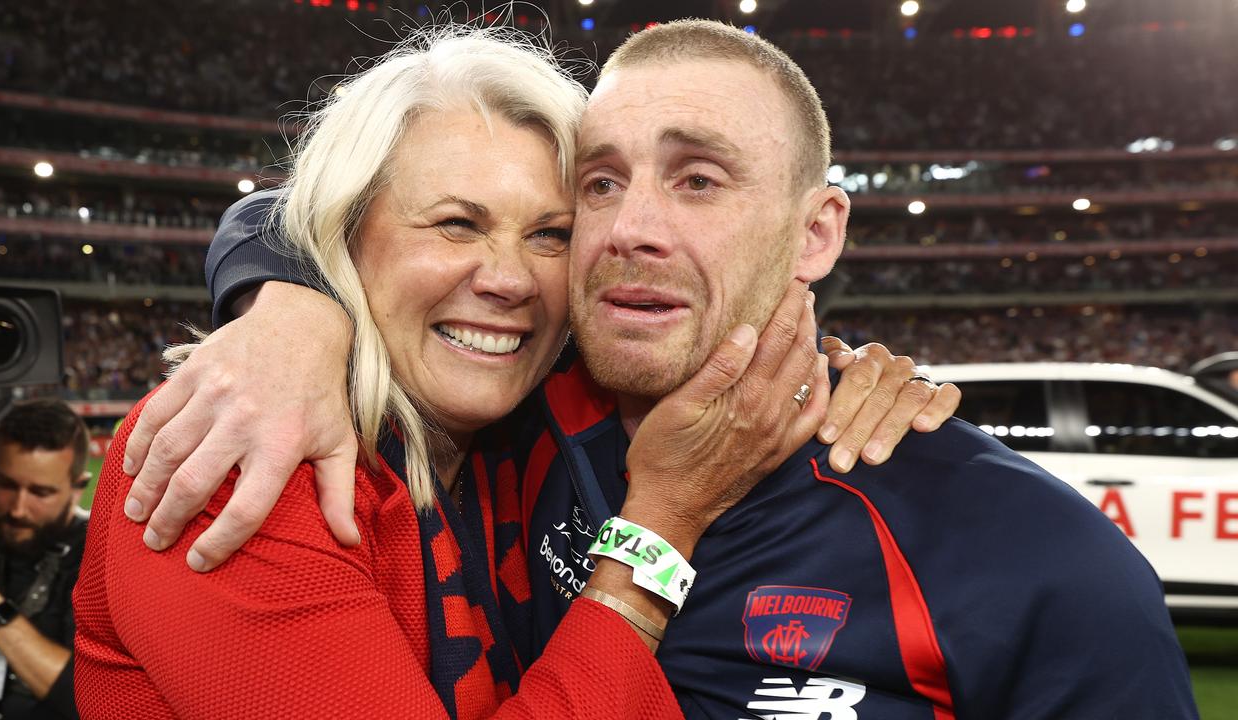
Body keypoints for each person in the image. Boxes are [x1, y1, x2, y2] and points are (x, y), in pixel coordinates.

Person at [128, 19, 1201, 719]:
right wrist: (285, 302)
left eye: (697, 180)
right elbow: (303, 216)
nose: (629, 228)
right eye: (596, 186)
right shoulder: (287, 450)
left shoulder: (1037, 564)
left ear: (815, 233)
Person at [0, 399, 87, 720]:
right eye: (5, 484)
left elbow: (92, 699)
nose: (17, 509)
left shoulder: (98, 561)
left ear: (77, 489)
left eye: (40, 493)